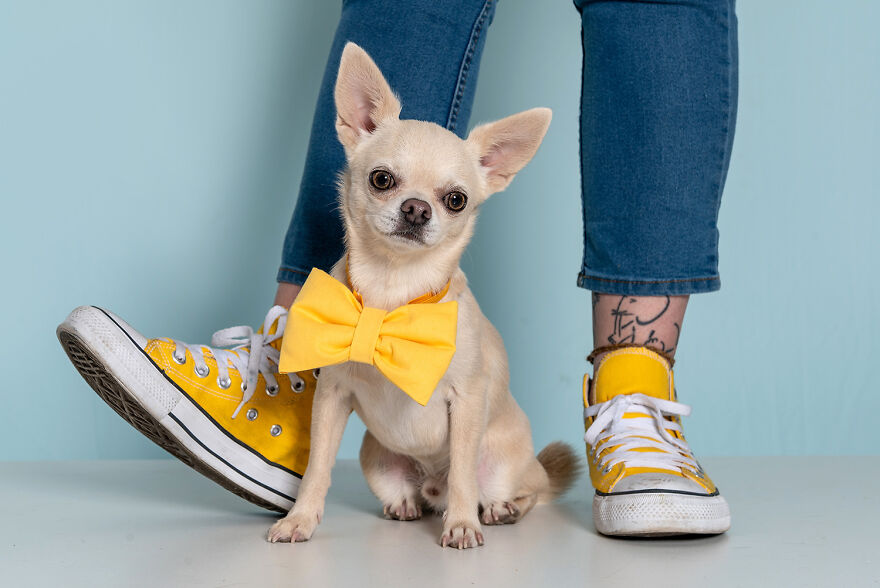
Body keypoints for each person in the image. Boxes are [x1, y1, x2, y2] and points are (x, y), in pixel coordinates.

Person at [58, 0, 737, 536]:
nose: (416, 212)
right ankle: (293, 374)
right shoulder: (368, 131)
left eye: (446, 200)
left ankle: (633, 389)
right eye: (388, 184)